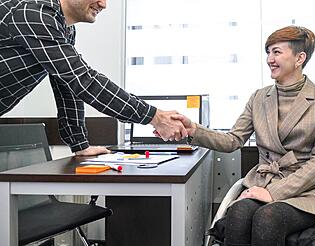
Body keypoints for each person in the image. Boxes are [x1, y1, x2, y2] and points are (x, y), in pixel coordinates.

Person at [173, 26, 315, 246]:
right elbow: (233, 140)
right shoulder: (259, 98)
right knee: (238, 214)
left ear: (300, 58)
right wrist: (193, 130)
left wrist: (273, 192)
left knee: (267, 218)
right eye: (268, 52)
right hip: (263, 183)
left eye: (277, 52)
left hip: (305, 191)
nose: (270, 59)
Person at [0, 0, 186, 156]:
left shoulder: (64, 29)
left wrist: (80, 145)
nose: (103, 4)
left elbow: (67, 85)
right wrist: (155, 117)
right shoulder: (32, 14)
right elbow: (84, 81)